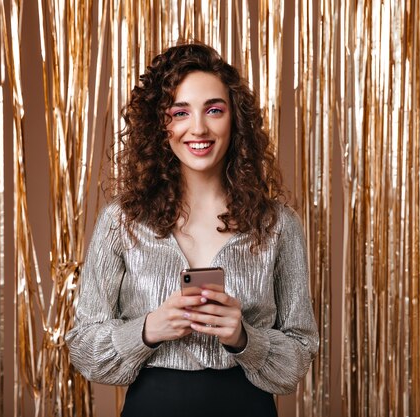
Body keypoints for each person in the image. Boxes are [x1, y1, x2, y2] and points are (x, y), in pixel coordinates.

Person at [65, 41, 319, 417]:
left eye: (214, 110)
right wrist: (150, 328)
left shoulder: (278, 225)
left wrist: (244, 338)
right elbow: (84, 348)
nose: (198, 127)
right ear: (160, 125)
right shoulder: (122, 222)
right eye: (180, 112)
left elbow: (298, 358)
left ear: (235, 119)